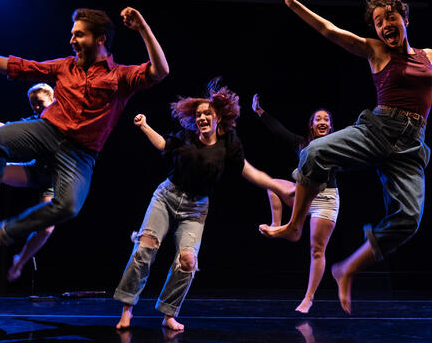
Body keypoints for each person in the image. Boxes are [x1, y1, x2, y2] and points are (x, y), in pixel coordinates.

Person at [260, 0, 432, 314]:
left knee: (409, 219)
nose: (385, 26)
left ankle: (346, 268)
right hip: (377, 129)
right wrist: (293, 3)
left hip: (410, 145)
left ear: (404, 19)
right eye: (378, 21)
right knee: (314, 152)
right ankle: (294, 225)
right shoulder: (374, 50)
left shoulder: (428, 56)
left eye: (390, 18)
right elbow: (330, 31)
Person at [0, 7, 169, 265]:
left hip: (80, 153)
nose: (72, 41)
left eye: (79, 35)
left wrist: (143, 28)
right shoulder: (64, 66)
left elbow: (161, 71)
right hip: (47, 132)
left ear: (99, 39)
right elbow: (18, 67)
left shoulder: (120, 76)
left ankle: (3, 233)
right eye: (72, 34)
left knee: (68, 207)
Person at [113, 81, 295, 332]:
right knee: (145, 247)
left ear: (218, 117)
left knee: (188, 261)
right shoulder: (186, 136)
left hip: (196, 208)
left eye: (207, 114)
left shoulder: (228, 142)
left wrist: (277, 186)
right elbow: (163, 145)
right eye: (198, 114)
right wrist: (144, 126)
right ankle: (127, 309)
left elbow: (250, 172)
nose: (202, 118)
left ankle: (168, 313)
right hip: (166, 197)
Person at [251, 93, 339, 314]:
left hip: (325, 198)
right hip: (301, 193)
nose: (322, 122)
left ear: (330, 127)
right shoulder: (301, 143)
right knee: (271, 184)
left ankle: (308, 299)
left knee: (317, 250)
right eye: (318, 119)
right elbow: (279, 131)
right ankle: (281, 225)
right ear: (311, 125)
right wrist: (260, 112)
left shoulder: (338, 144)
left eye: (326, 119)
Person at [0, 83, 57, 281]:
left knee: (47, 228)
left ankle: (20, 262)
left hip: (54, 181)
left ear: (53, 99)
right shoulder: (34, 121)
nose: (37, 108)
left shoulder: (63, 120)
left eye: (40, 103)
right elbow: (7, 129)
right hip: (35, 170)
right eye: (33, 105)